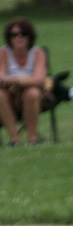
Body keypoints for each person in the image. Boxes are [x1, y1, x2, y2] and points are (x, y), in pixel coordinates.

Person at [0, 17, 46, 145]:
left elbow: (39, 79)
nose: (18, 38)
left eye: (23, 34)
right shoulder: (4, 52)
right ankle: (15, 139)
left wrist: (18, 81)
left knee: (32, 93)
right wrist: (13, 81)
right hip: (9, 93)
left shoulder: (38, 53)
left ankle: (32, 138)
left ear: (30, 37)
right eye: (13, 35)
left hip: (31, 92)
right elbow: (1, 75)